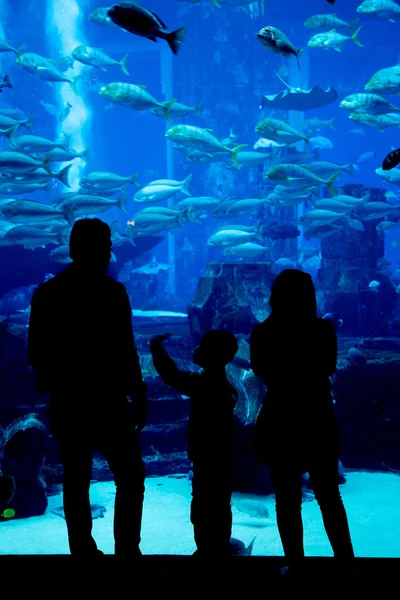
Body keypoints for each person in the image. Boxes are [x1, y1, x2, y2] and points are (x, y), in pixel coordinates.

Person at [27, 218, 147, 558]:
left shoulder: (48, 294)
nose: (108, 253)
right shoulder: (113, 292)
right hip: (109, 400)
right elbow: (126, 348)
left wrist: (52, 384)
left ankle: (82, 550)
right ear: (88, 249)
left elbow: (36, 350)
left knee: (76, 479)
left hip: (68, 401)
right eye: (105, 246)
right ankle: (127, 550)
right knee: (130, 478)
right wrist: (137, 392)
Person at [250, 269, 355, 575]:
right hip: (317, 413)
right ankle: (346, 564)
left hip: (281, 413)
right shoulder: (322, 329)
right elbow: (328, 366)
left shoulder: (263, 332)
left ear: (275, 296)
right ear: (309, 295)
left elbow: (260, 370)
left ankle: (296, 564)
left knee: (287, 497)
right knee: (329, 495)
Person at [150, 330, 238, 557]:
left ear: (213, 355)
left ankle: (209, 551)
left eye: (202, 347)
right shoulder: (226, 387)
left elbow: (172, 375)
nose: (195, 349)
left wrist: (157, 349)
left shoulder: (205, 384)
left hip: (207, 456)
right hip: (223, 456)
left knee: (204, 505)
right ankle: (219, 547)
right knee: (219, 504)